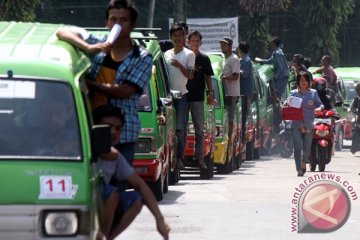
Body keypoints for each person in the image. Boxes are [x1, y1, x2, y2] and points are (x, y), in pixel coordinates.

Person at [56, 0, 152, 165]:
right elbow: (62, 32)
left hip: (123, 134)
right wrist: (87, 47)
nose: (118, 24)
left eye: (123, 20)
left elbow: (125, 91)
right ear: (106, 22)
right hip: (91, 130)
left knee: (118, 184)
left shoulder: (142, 57)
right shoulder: (97, 43)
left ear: (133, 24)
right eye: (113, 19)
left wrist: (89, 84)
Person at [93, 105, 170, 240]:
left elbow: (140, 185)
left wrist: (160, 219)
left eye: (118, 128)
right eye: (108, 127)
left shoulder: (115, 156)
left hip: (100, 202)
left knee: (135, 199)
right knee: (111, 194)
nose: (113, 132)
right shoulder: (79, 147)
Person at [164, 25, 195, 169]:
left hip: (182, 96)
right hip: (167, 98)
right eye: (174, 35)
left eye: (180, 35)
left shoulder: (189, 55)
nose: (177, 38)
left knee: (180, 129)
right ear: (171, 37)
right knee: (167, 130)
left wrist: (178, 65)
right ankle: (169, 158)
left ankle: (180, 159)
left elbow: (190, 75)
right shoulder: (166, 54)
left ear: (184, 37)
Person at [285, 71, 323, 177]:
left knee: (307, 148)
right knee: (297, 147)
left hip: (309, 124)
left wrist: (319, 108)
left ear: (309, 82)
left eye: (305, 80)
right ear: (298, 82)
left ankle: (303, 162)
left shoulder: (313, 93)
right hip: (296, 124)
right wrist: (288, 103)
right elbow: (286, 103)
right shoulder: (293, 93)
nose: (303, 82)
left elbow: (320, 104)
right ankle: (298, 169)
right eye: (301, 80)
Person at [186, 30, 215, 169]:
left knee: (199, 130)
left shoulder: (204, 59)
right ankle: (179, 157)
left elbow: (208, 77)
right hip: (183, 97)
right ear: (188, 42)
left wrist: (210, 94)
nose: (195, 44)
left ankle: (199, 158)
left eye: (197, 41)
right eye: (193, 41)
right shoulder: (183, 57)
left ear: (200, 43)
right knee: (180, 129)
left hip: (198, 98)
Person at [255, 36, 289, 133]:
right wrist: (261, 61)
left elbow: (282, 68)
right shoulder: (275, 52)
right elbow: (270, 61)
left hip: (282, 77)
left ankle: (280, 116)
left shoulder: (278, 53)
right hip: (280, 77)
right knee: (275, 95)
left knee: (276, 95)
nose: (270, 44)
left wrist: (276, 77)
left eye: (272, 43)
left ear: (275, 44)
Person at [219, 37, 240, 148]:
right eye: (221, 44)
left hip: (231, 93)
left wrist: (225, 78)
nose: (222, 46)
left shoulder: (234, 59)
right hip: (224, 92)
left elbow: (236, 76)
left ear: (230, 46)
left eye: (225, 44)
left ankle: (230, 140)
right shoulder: (223, 58)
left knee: (231, 117)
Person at [237, 41, 253, 143]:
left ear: (241, 50)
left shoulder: (246, 60)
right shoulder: (243, 59)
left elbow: (245, 74)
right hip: (243, 92)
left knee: (243, 117)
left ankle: (243, 140)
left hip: (245, 93)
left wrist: (236, 70)